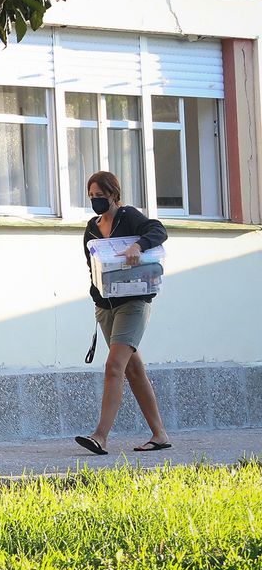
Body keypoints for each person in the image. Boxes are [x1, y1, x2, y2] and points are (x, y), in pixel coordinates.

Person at [74, 170, 173, 455]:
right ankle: (160, 434)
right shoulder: (92, 228)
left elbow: (158, 230)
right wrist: (97, 296)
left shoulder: (129, 216)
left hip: (134, 303)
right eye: (92, 197)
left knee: (114, 366)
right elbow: (91, 266)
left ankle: (100, 436)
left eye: (100, 196)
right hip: (106, 307)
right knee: (132, 368)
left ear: (114, 196)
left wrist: (137, 245)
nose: (96, 201)